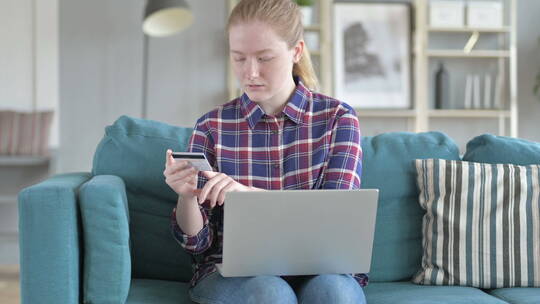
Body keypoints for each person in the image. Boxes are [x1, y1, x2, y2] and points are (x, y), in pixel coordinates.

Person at [164, 0, 366, 303]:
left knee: (334, 292)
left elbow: (336, 229)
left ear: (296, 51)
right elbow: (197, 243)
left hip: (322, 271)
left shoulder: (338, 119)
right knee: (271, 292)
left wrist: (243, 194)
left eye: (264, 58)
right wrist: (187, 196)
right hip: (235, 276)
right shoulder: (212, 126)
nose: (251, 72)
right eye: (239, 58)